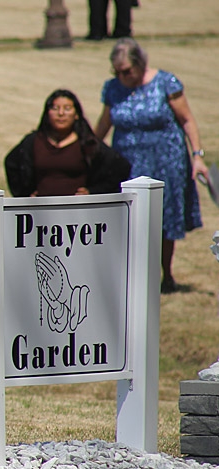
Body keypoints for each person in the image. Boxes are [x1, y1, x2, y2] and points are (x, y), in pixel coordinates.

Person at [95, 37, 208, 294]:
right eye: (118, 72)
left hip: (165, 160)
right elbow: (104, 124)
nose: (122, 77)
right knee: (128, 218)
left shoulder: (165, 83)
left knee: (163, 218)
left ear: (140, 64)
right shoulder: (113, 88)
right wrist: (88, 152)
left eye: (127, 71)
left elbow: (187, 120)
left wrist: (198, 155)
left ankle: (166, 274)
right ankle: (132, 277)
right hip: (127, 162)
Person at [4, 89, 131, 198]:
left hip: (77, 214)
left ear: (76, 114)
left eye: (67, 108)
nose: (61, 113)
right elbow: (11, 163)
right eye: (55, 108)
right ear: (47, 113)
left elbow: (120, 168)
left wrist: (93, 191)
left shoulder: (87, 143)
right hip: (40, 213)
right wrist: (25, 194)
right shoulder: (33, 141)